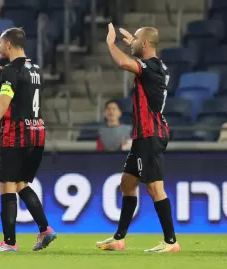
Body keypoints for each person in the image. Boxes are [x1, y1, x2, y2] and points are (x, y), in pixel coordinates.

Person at [0, 27, 57, 252]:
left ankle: (9, 243)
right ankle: (45, 229)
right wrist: (4, 76)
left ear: (8, 44)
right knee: (20, 184)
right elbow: (25, 95)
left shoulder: (10, 70)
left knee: (7, 185)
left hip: (16, 134)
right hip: (37, 132)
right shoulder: (35, 69)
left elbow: (3, 104)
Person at [96, 23, 180, 252]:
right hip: (144, 134)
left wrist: (110, 43)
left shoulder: (151, 66)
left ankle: (171, 242)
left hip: (150, 133)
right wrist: (132, 44)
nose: (131, 42)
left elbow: (124, 62)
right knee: (127, 183)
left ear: (144, 44)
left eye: (135, 40)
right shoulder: (156, 64)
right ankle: (119, 238)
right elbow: (136, 57)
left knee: (154, 187)